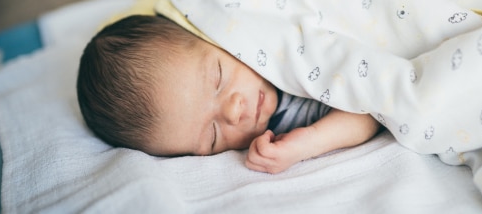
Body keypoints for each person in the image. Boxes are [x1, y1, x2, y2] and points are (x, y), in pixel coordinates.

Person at [77, 14, 380, 174]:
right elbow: (369, 107)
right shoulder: (288, 122)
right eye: (212, 136)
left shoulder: (264, 32)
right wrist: (309, 142)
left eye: (219, 77)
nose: (234, 112)